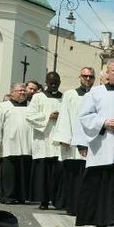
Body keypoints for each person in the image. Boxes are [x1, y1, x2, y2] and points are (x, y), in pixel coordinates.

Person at [77, 60, 114, 227]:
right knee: (100, 183)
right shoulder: (95, 93)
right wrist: (104, 122)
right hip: (101, 145)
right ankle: (97, 217)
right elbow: (84, 116)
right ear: (107, 73)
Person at [53, 68, 94, 213]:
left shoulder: (97, 94)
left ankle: (85, 208)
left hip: (91, 144)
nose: (88, 79)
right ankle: (72, 206)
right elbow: (64, 116)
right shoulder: (70, 95)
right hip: (73, 144)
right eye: (85, 76)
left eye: (90, 76)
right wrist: (65, 138)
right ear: (80, 77)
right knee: (73, 176)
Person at [0, 84, 34, 204]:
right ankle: (7, 196)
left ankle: (21, 196)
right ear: (12, 93)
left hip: (27, 145)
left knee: (24, 171)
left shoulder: (31, 106)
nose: (23, 93)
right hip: (8, 145)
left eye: (24, 91)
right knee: (9, 173)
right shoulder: (3, 106)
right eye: (20, 91)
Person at [27, 72, 65, 210]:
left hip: (59, 140)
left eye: (56, 82)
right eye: (51, 83)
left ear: (60, 82)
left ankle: (57, 200)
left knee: (58, 173)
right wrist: (48, 116)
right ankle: (43, 200)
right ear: (46, 83)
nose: (54, 85)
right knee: (43, 173)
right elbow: (30, 116)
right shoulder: (38, 97)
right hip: (43, 140)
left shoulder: (64, 98)